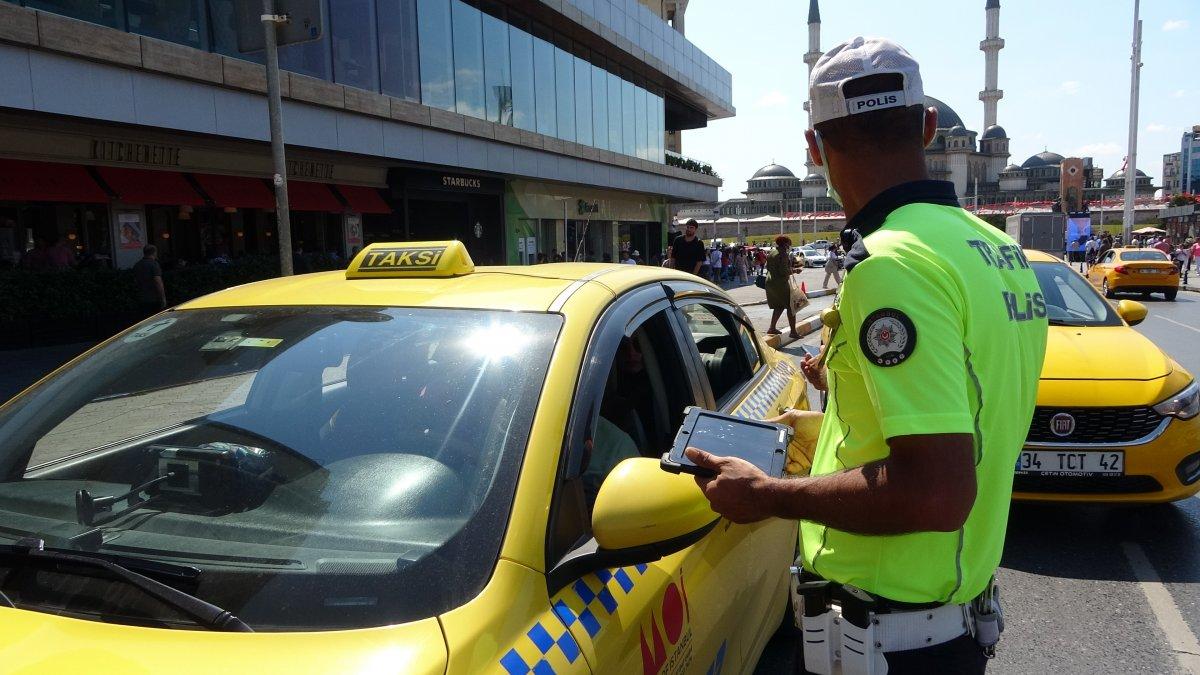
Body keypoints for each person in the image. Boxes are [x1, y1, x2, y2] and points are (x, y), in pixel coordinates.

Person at [683, 37, 1047, 673]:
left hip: (889, 637)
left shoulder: (890, 264)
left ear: (814, 147)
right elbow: (965, 420)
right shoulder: (998, 252)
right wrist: (819, 430)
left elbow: (935, 492)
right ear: (928, 126)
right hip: (947, 624)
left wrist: (768, 494)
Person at [764, 235, 799, 338]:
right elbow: (783, 271)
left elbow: (768, 266)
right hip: (780, 283)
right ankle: (793, 332)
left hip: (770, 282)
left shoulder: (772, 252)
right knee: (791, 306)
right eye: (788, 243)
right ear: (785, 244)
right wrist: (795, 270)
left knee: (779, 306)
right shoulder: (783, 254)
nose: (789, 245)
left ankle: (772, 328)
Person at [133, 244, 167, 317]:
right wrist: (163, 298)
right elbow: (158, 282)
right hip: (154, 299)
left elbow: (135, 281)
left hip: (141, 298)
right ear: (154, 253)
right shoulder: (154, 264)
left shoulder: (137, 265)